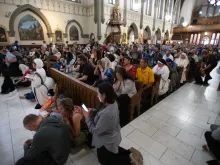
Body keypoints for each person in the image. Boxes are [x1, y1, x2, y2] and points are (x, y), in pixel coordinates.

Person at [83, 82, 143, 165]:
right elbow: (102, 114)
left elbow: (95, 131)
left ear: (104, 95)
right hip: (111, 135)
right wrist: (94, 112)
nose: (97, 96)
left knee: (104, 160)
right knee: (111, 153)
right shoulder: (112, 102)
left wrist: (87, 117)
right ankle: (130, 153)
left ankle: (131, 161)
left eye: (98, 94)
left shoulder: (108, 113)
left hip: (107, 139)